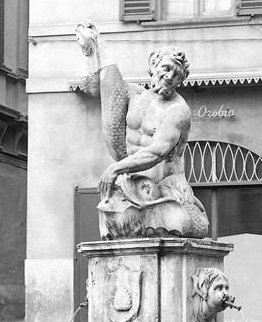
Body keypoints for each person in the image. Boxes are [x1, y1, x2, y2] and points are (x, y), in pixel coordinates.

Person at [76, 22, 209, 239]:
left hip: (164, 187)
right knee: (118, 224)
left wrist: (115, 168)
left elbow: (157, 151)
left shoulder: (178, 110)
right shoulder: (133, 95)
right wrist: (90, 50)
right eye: (166, 69)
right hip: (130, 182)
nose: (169, 77)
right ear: (153, 66)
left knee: (183, 224)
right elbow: (93, 87)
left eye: (176, 75)